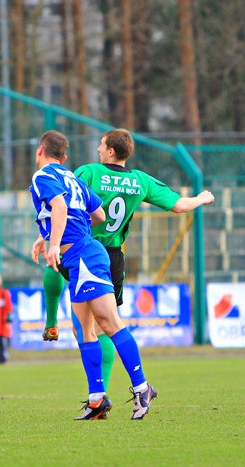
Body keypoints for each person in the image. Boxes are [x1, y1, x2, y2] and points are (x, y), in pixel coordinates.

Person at [41, 128, 213, 393]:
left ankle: (96, 388)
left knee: (87, 327)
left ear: (111, 151)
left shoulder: (89, 172)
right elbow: (179, 205)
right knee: (103, 325)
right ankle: (101, 393)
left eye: (101, 144)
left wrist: (48, 238)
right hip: (112, 256)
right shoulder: (139, 181)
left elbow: (67, 203)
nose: (98, 148)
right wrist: (202, 198)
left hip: (79, 247)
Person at [29, 130, 156, 420]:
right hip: (80, 258)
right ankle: (97, 399)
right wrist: (52, 233)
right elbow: (98, 215)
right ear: (65, 157)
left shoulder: (43, 176)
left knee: (108, 322)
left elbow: (60, 206)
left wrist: (54, 243)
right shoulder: (72, 177)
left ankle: (143, 387)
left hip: (83, 257)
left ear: (40, 151)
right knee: (83, 330)